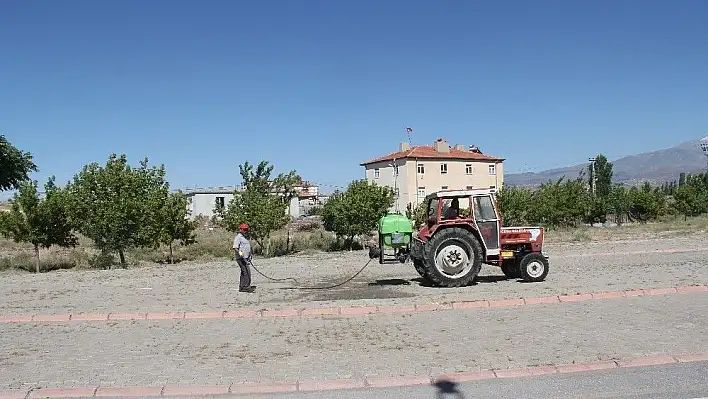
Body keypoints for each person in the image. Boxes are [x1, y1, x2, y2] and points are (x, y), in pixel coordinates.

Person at [233, 223, 255, 293]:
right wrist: (240, 253)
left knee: (244, 272)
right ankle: (245, 287)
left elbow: (247, 247)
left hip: (246, 257)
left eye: (246, 229)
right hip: (241, 258)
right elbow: (235, 247)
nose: (246, 231)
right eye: (244, 229)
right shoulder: (238, 237)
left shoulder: (245, 237)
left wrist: (249, 254)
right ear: (241, 229)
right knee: (246, 272)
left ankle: (242, 287)